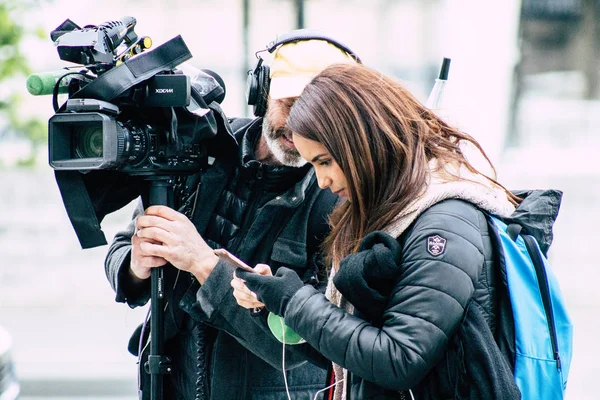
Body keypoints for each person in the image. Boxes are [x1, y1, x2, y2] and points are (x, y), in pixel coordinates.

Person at [232, 63, 542, 399]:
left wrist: (296, 302)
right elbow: (349, 354)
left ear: (360, 141)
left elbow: (400, 359)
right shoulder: (388, 211)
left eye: (324, 161)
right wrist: (274, 304)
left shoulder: (443, 225)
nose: (321, 181)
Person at [104, 32, 360, 399]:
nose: (300, 125)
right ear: (261, 92)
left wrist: (205, 265)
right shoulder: (199, 145)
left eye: (318, 114)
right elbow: (120, 249)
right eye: (291, 104)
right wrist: (136, 264)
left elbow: (310, 347)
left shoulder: (341, 196)